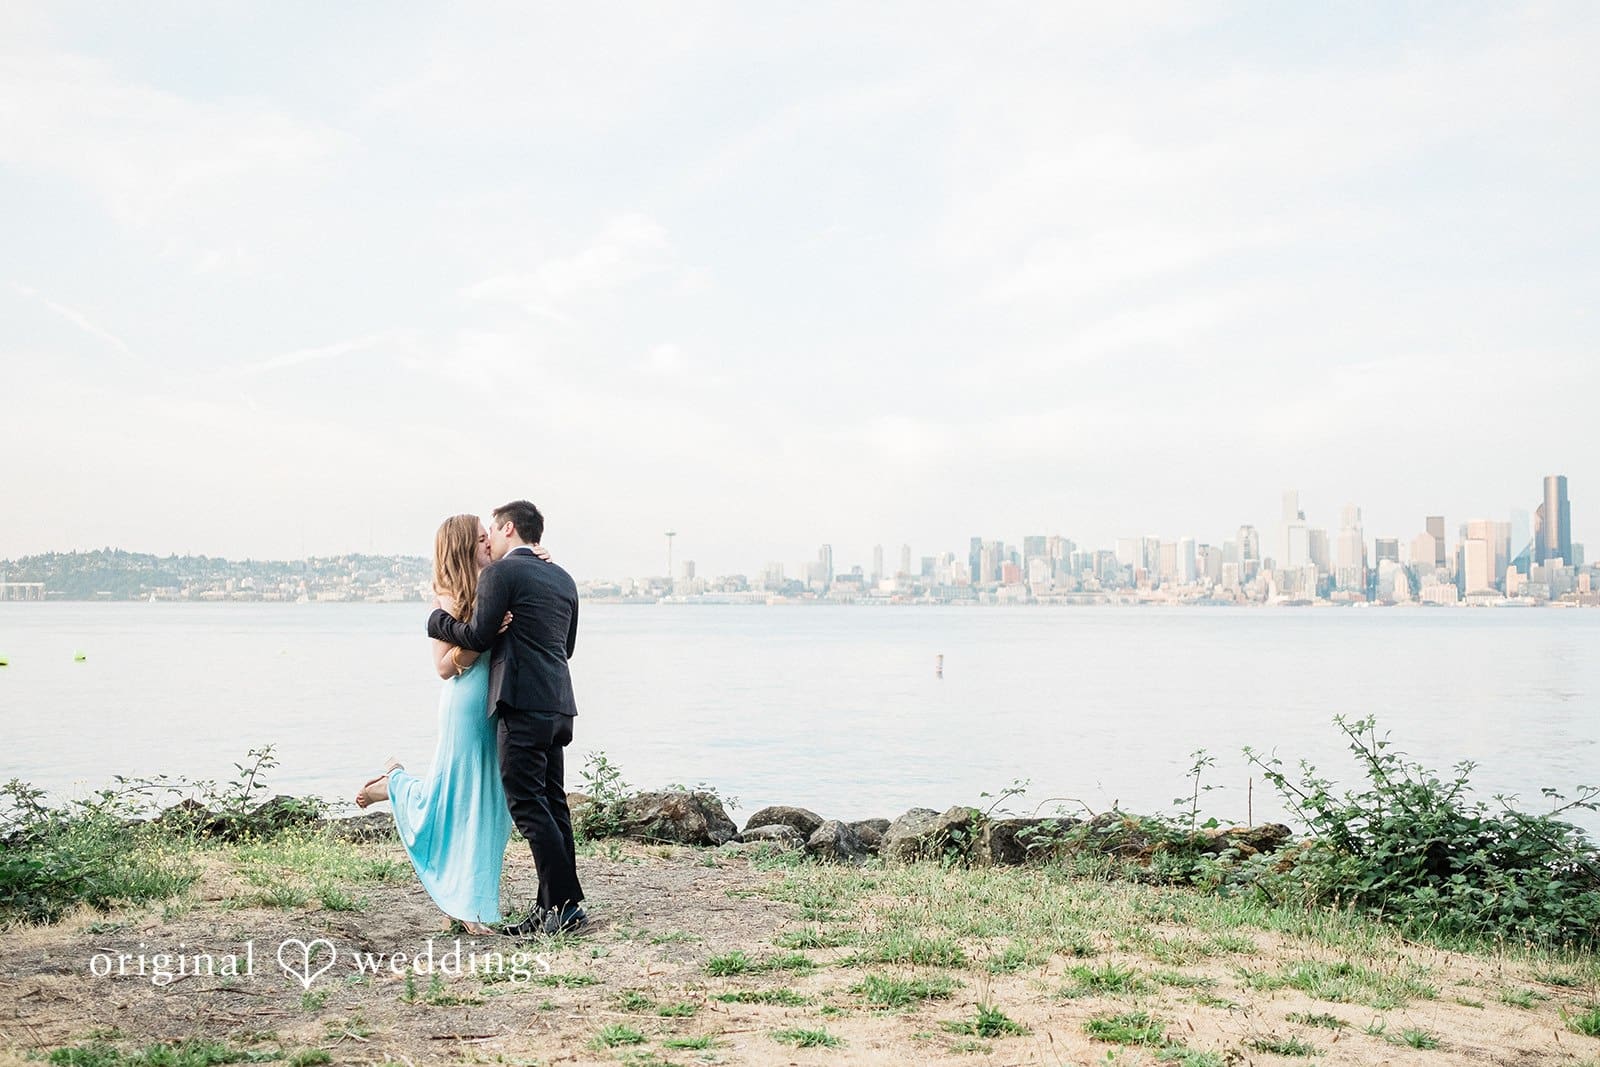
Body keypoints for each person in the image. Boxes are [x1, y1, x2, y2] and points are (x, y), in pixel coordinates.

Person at [354, 514, 524, 935]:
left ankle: (467, 899)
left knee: (493, 804)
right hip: (466, 704)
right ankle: (396, 788)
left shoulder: (494, 585)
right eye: (481, 540)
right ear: (464, 547)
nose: (489, 544)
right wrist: (481, 636)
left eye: (488, 537)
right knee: (460, 799)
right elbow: (444, 667)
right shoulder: (447, 599)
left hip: (497, 701)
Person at [427, 499, 586, 937]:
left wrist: (437, 622)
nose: (490, 540)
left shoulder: (502, 574)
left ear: (509, 529)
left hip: (520, 703)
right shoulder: (563, 577)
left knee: (528, 805)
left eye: (493, 531)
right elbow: (568, 646)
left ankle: (566, 905)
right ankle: (551, 905)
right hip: (559, 704)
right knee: (552, 804)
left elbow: (478, 636)